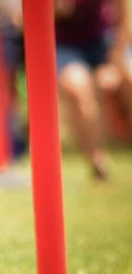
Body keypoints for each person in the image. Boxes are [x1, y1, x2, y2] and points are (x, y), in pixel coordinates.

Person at [55, 0, 131, 180]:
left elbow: (123, 21)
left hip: (103, 41)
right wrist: (59, 8)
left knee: (129, 77)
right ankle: (98, 161)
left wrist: (114, 62)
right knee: (77, 85)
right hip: (66, 45)